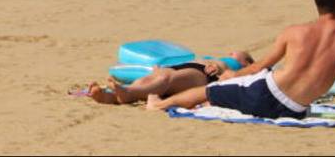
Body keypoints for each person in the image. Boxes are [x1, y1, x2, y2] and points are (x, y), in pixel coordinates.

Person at [147, 0, 335, 124]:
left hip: (265, 94)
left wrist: (236, 76)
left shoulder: (294, 32)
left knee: (211, 89)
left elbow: (260, 66)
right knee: (222, 88)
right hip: (293, 110)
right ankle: (158, 105)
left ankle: (159, 103)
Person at [87, 52, 254, 105]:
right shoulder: (212, 57)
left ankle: (126, 92)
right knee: (154, 79)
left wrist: (219, 70)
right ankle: (107, 96)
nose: (231, 53)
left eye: (236, 53)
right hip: (186, 67)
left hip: (203, 75)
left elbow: (231, 79)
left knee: (166, 79)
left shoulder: (237, 67)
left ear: (246, 62)